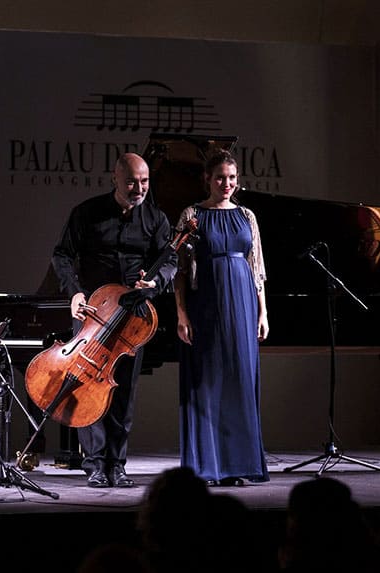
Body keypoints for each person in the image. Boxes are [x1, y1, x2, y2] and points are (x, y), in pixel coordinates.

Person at [51, 152, 177, 488]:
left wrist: (157, 282)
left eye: (145, 181)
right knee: (88, 386)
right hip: (93, 313)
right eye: (133, 181)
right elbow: (62, 254)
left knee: (123, 390)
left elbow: (170, 260)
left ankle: (117, 464)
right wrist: (74, 293)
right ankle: (94, 464)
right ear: (115, 179)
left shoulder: (155, 218)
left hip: (133, 317)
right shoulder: (87, 213)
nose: (139, 188)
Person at [173, 149, 270, 486]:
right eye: (219, 178)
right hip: (207, 303)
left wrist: (263, 312)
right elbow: (180, 272)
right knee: (209, 383)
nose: (226, 183)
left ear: (237, 180)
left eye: (231, 178)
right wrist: (182, 313)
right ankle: (208, 467)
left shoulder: (247, 216)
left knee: (239, 381)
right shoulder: (192, 215)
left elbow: (256, 267)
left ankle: (238, 465)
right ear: (207, 180)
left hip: (243, 303)